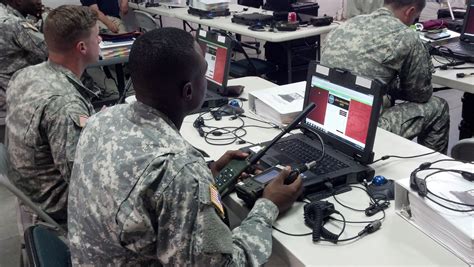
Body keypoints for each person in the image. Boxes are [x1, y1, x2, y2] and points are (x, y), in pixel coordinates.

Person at [68, 27, 303, 265]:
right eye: (204, 74)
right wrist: (268, 206)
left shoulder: (101, 120)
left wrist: (208, 180)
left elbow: (148, 200)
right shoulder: (179, 169)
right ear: (188, 91)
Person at [6, 5, 100, 223]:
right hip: (56, 205)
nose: (101, 41)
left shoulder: (26, 74)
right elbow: (84, 181)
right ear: (82, 47)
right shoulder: (65, 105)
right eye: (97, 36)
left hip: (31, 190)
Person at [321, 0, 450, 153]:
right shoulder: (406, 36)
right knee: (438, 106)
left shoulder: (345, 26)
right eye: (415, 18)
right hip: (359, 131)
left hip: (325, 117)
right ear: (410, 12)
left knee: (385, 98)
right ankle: (430, 169)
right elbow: (420, 94)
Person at [0, 0, 48, 142]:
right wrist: (45, 16)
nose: (39, 1)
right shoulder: (11, 23)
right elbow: (52, 49)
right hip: (18, 107)